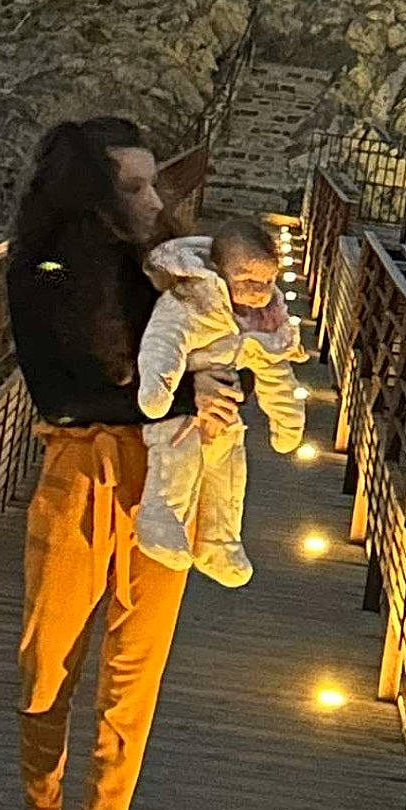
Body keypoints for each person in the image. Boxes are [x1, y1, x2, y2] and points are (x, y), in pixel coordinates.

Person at [0, 117, 242, 810]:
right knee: (45, 664)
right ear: (89, 196)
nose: (154, 199)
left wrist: (217, 378)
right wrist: (179, 392)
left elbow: (220, 340)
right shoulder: (40, 269)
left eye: (152, 183)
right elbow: (61, 388)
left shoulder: (175, 268)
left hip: (168, 476)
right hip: (77, 472)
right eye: (132, 187)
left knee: (130, 683)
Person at [133, 219, 306, 587]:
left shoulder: (262, 316)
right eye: (246, 281)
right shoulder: (192, 301)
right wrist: (159, 387)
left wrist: (287, 419)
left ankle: (219, 542)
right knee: (177, 461)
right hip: (180, 410)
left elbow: (275, 369)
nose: (259, 292)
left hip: (224, 411)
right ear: (217, 272)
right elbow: (164, 340)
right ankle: (160, 519)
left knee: (229, 473)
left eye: (267, 282)